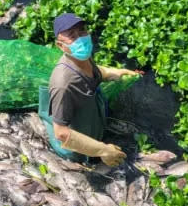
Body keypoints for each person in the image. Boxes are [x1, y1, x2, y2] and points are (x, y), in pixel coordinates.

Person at [48, 13, 141, 166]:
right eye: (72, 36)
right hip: (80, 149)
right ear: (60, 45)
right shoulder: (63, 84)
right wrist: (101, 150)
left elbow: (94, 71)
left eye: (82, 31)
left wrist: (113, 72)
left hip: (93, 125)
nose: (80, 39)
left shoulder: (83, 56)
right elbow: (61, 133)